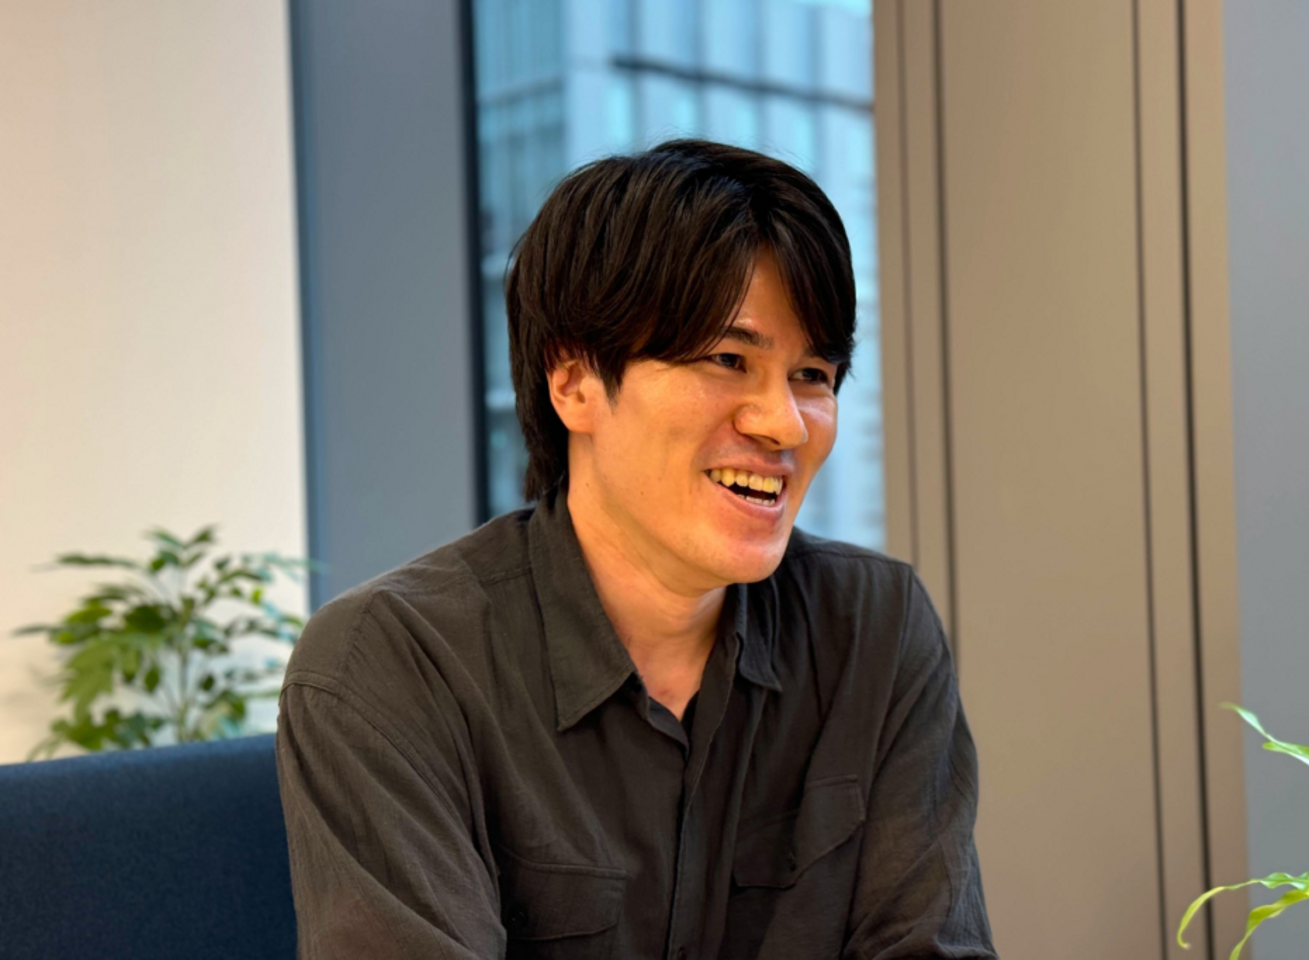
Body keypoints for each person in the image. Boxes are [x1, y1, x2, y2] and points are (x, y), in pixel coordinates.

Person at [275, 138, 995, 959]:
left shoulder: (874, 629)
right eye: (729, 360)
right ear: (573, 382)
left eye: (813, 376)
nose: (785, 425)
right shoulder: (393, 665)